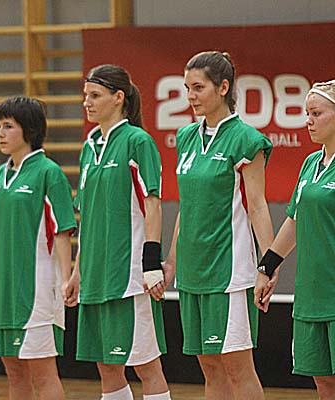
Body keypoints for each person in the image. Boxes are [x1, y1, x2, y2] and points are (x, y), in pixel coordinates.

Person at [164, 51, 273, 400]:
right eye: (187, 88)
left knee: (238, 370)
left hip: (228, 273)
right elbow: (187, 206)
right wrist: (171, 261)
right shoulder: (185, 137)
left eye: (198, 88)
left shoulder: (247, 140)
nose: (190, 96)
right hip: (191, 272)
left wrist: (268, 265)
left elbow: (257, 206)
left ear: (223, 87)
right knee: (209, 369)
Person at [66, 64, 171, 400]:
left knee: (146, 366)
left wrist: (151, 263)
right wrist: (77, 271)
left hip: (129, 277)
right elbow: (88, 217)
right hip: (94, 276)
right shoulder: (90, 146)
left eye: (95, 95)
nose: (87, 102)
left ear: (118, 97)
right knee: (107, 366)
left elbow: (152, 205)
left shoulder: (138, 141)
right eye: (86, 95)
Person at [0, 96, 76, 399]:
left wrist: (66, 280)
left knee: (43, 373)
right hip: (2, 292)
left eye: (8, 126)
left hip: (37, 291)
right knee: (14, 372)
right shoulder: (1, 176)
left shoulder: (49, 172)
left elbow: (63, 231)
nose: (0, 134)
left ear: (29, 129)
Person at [254, 80, 335, 399]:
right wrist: (267, 267)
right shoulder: (310, 164)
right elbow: (294, 220)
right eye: (306, 114)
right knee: (324, 383)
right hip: (312, 294)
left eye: (316, 113)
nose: (308, 121)